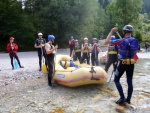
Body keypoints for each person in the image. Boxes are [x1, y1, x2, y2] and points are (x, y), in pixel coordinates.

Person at [105, 25, 139, 104]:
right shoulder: (135, 41)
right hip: (131, 64)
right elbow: (136, 53)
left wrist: (112, 31)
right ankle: (128, 100)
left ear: (124, 32)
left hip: (123, 63)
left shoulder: (121, 40)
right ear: (131, 32)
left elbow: (107, 41)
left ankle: (122, 97)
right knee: (129, 81)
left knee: (116, 79)